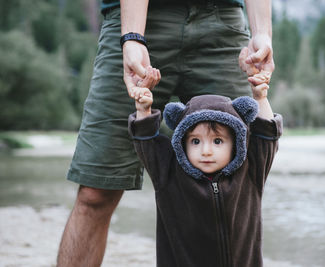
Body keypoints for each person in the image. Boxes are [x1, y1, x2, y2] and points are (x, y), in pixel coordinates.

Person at [57, 0, 274, 266]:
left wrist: (262, 32)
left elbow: (266, 138)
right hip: (138, 21)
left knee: (238, 184)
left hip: (224, 25)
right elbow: (149, 143)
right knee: (96, 191)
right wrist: (132, 36)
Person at [128, 67, 282, 266]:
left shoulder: (251, 171)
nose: (206, 151)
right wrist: (143, 110)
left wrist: (260, 97)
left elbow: (266, 135)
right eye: (195, 141)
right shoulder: (168, 173)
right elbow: (146, 140)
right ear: (182, 142)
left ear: (235, 143)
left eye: (217, 141)